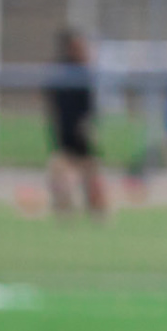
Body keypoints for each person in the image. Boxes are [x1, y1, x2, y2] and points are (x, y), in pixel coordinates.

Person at [46, 28, 109, 220]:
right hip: (66, 130)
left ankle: (96, 209)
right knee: (61, 171)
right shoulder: (61, 72)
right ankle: (64, 209)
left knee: (89, 171)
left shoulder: (84, 73)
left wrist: (90, 127)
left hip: (80, 130)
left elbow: (89, 106)